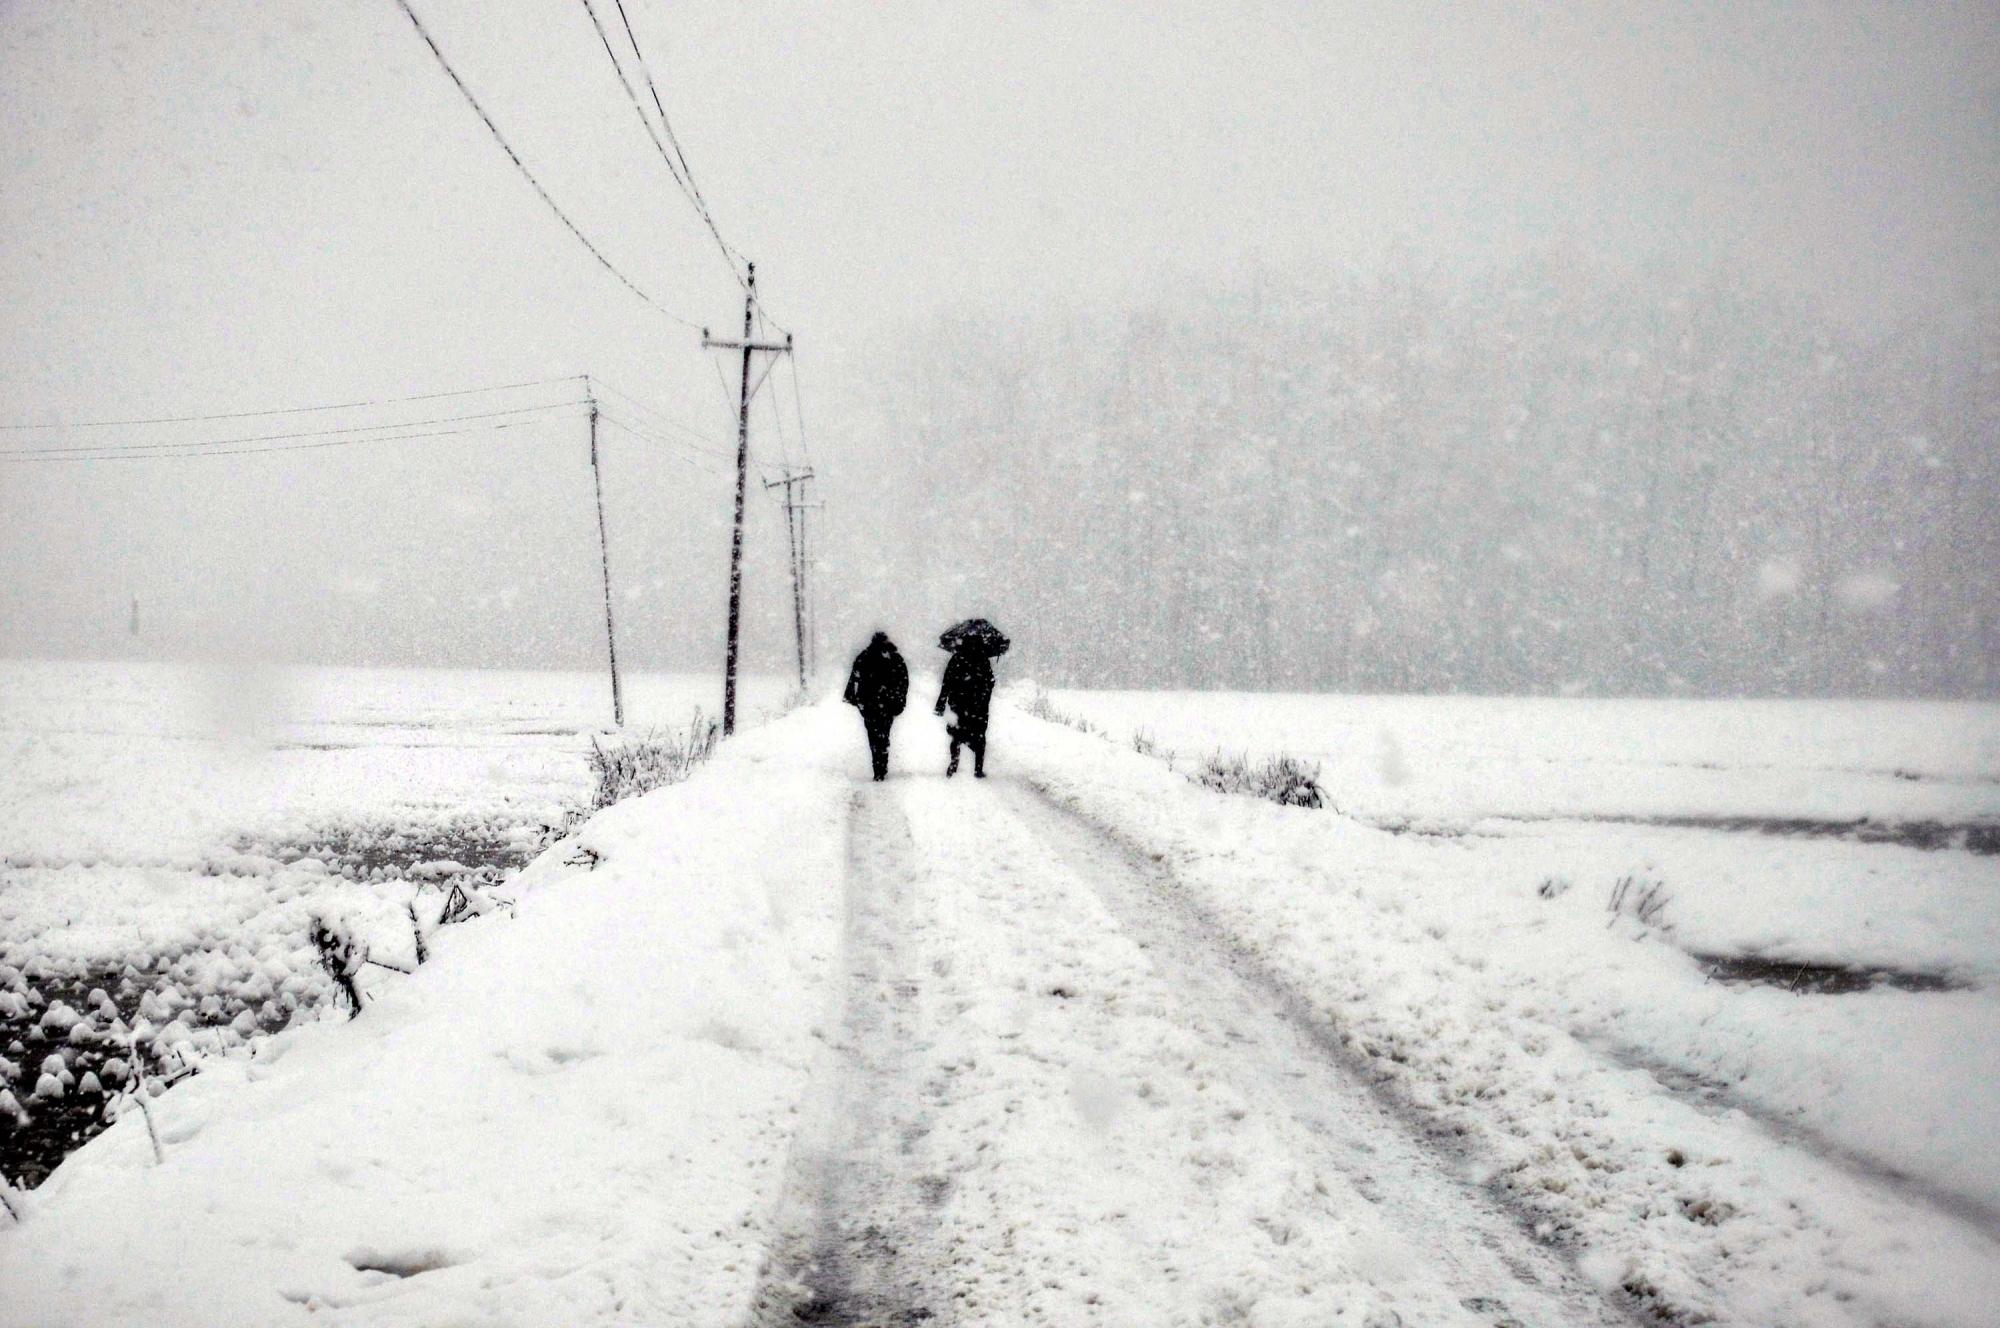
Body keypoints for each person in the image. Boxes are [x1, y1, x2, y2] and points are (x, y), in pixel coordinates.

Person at [843, 632, 908, 781]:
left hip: (869, 704)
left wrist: (854, 698)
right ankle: (882, 765)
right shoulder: (895, 658)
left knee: (873, 735)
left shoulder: (864, 656)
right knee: (884, 734)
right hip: (888, 704)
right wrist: (900, 700)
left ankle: (877, 767)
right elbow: (903, 681)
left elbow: (855, 678)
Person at [935, 646, 996, 778]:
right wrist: (984, 697)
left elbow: (947, 682)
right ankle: (978, 769)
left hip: (958, 704)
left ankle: (953, 763)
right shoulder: (983, 660)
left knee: (956, 735)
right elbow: (990, 683)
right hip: (978, 707)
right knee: (979, 737)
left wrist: (941, 702)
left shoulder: (957, 658)